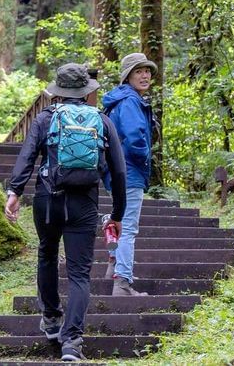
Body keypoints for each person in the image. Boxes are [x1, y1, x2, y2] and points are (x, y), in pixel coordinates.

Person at [4, 63, 127, 362]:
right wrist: (118, 214)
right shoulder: (102, 121)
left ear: (57, 91)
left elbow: (28, 156)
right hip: (84, 203)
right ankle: (72, 342)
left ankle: (50, 319)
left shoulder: (46, 118)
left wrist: (14, 192)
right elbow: (119, 171)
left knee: (46, 254)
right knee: (79, 274)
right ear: (86, 92)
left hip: (48, 199)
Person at [101, 52, 157, 297]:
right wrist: (144, 157)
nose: (145, 75)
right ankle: (122, 282)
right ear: (128, 76)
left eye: (147, 71)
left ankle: (113, 263)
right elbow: (135, 137)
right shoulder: (131, 101)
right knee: (129, 228)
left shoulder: (118, 101)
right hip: (130, 172)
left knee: (120, 221)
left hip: (116, 172)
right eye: (138, 71)